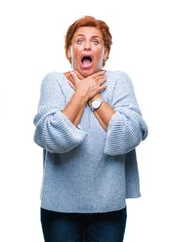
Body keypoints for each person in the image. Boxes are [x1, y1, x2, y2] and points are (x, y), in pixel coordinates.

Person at [33, 16, 148, 242]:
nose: (87, 46)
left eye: (95, 42)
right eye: (80, 41)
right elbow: (51, 137)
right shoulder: (53, 81)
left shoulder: (119, 81)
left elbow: (129, 134)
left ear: (105, 53)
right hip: (59, 207)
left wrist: (94, 98)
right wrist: (81, 93)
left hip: (108, 206)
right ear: (69, 52)